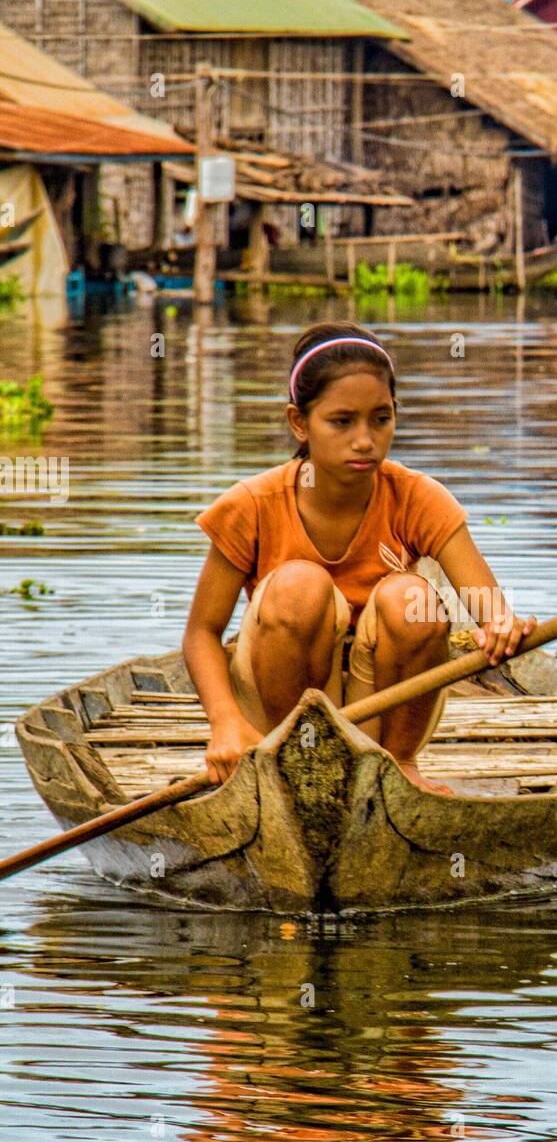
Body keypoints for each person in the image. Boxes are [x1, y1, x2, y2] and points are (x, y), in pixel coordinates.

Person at [183, 322, 536, 796]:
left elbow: (488, 607)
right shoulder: (253, 504)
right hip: (275, 714)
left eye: (381, 418)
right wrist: (225, 723)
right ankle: (296, 764)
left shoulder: (417, 497)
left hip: (387, 714)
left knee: (412, 596)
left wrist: (501, 626)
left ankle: (400, 767)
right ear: (299, 423)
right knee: (297, 588)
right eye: (342, 421)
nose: (366, 440)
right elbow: (201, 633)